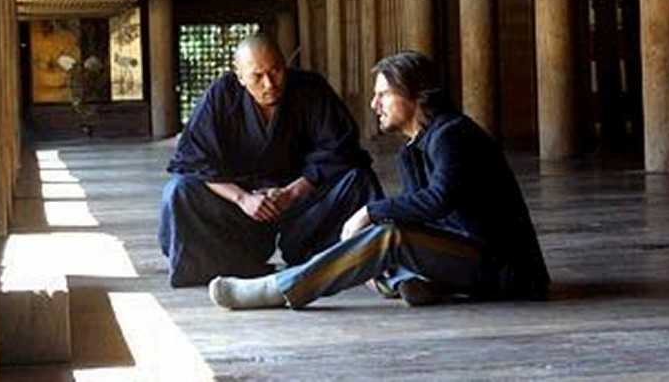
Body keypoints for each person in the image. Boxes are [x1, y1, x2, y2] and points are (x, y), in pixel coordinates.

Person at [208, 50, 550, 309]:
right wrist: (369, 249)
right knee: (383, 237)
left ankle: (279, 288)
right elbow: (418, 219)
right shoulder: (412, 149)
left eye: (383, 94)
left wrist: (369, 213)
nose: (374, 104)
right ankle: (409, 281)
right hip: (466, 256)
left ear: (415, 94)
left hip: (508, 271)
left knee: (388, 236)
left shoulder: (452, 133)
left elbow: (437, 201)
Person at [159, 32, 382, 287]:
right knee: (179, 191)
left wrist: (292, 192)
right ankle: (236, 265)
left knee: (358, 179)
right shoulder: (222, 95)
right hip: (241, 211)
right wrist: (243, 198)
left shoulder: (310, 88)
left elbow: (340, 150)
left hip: (304, 203)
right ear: (240, 76)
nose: (269, 84)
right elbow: (193, 160)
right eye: (257, 76)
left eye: (276, 71)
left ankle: (359, 261)